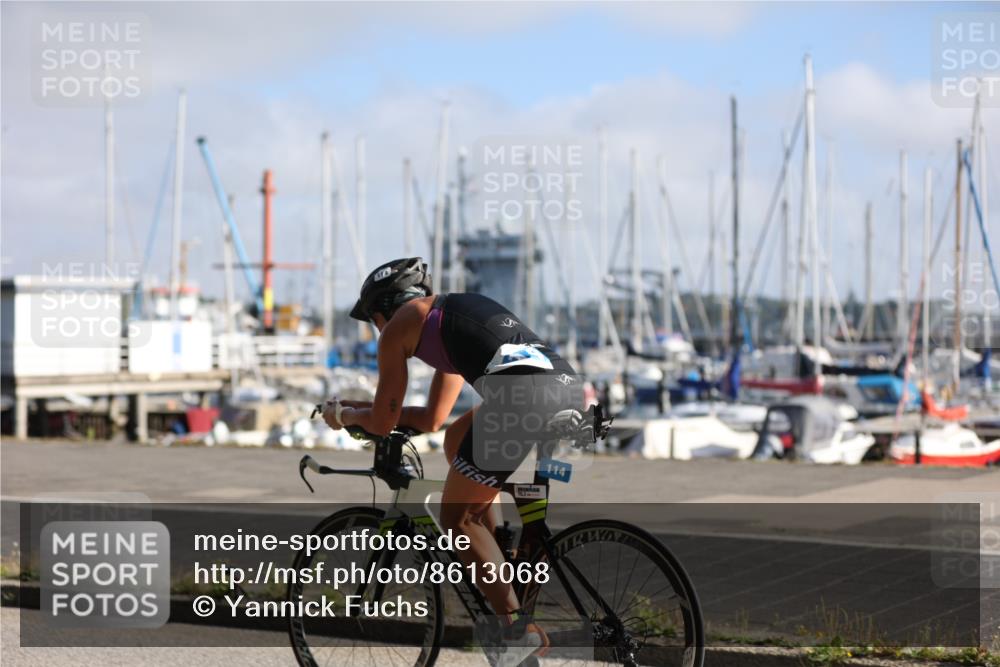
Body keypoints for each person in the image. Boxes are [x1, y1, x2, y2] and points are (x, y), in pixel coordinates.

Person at [322, 257, 580, 665]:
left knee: (455, 518)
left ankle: (517, 630)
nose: (375, 331)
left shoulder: (400, 328)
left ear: (380, 310)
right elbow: (432, 419)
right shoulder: (446, 319)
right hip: (566, 393)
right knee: (456, 440)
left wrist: (345, 417)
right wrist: (361, 407)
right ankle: (498, 554)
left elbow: (385, 420)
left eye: (372, 320)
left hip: (521, 402)